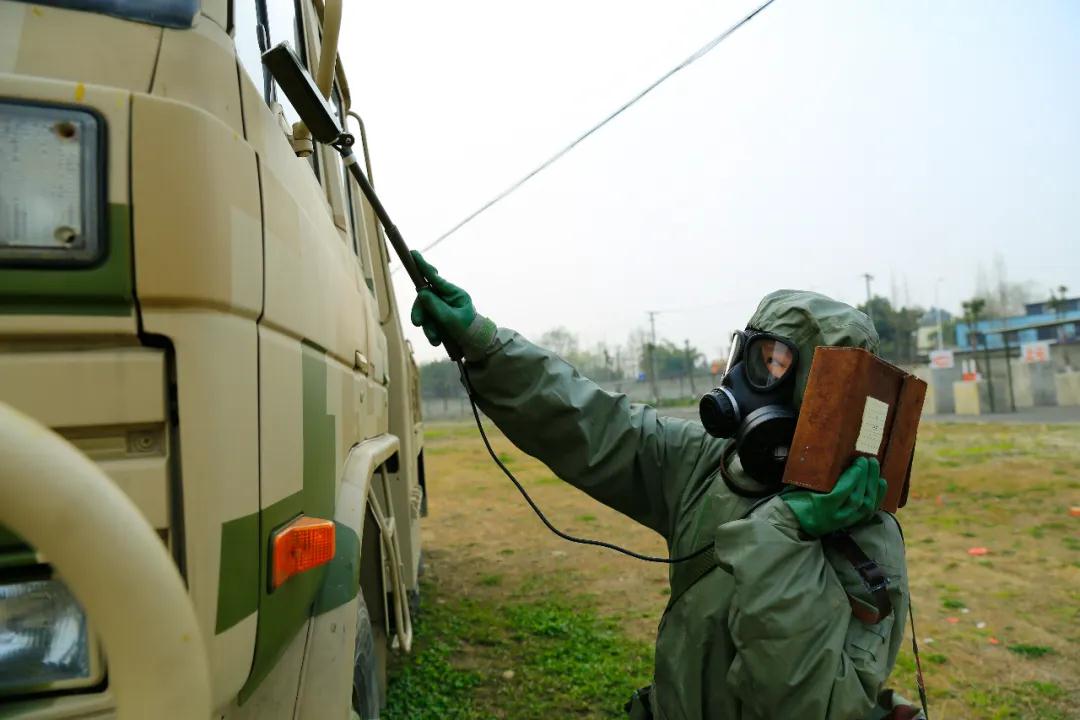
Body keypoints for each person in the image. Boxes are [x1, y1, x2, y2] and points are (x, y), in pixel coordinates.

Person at [409, 251, 920, 720]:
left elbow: (803, 701)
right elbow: (593, 423)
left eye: (774, 365)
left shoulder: (866, 541)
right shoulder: (713, 465)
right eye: (748, 356)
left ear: (823, 395)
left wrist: (787, 535)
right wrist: (485, 344)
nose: (742, 380)